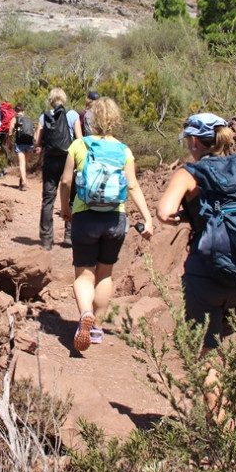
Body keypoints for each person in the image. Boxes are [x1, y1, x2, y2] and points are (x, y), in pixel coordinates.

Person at [156, 112, 236, 351]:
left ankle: (211, 384)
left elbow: (165, 213)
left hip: (207, 270)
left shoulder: (191, 173)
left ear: (195, 141)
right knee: (224, 342)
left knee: (205, 352)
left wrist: (188, 218)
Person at [59, 96, 153, 353]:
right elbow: (132, 185)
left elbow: (66, 182)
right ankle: (96, 326)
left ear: (90, 120)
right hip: (115, 218)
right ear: (115, 120)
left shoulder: (79, 146)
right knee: (105, 273)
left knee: (83, 275)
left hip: (85, 216)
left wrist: (66, 209)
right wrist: (147, 218)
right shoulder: (124, 150)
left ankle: (85, 314)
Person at [33, 88, 82, 250]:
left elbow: (37, 141)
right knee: (72, 196)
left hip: (50, 159)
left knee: (48, 198)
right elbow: (79, 139)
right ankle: (69, 235)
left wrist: (41, 145)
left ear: (51, 100)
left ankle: (47, 238)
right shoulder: (73, 115)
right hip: (69, 158)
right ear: (64, 99)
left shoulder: (44, 116)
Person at [9, 102, 35, 190]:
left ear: (15, 111)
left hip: (20, 143)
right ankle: (22, 179)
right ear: (23, 111)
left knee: (22, 163)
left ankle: (23, 182)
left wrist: (9, 142)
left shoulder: (14, 118)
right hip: (30, 143)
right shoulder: (28, 119)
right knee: (25, 163)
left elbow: (10, 130)